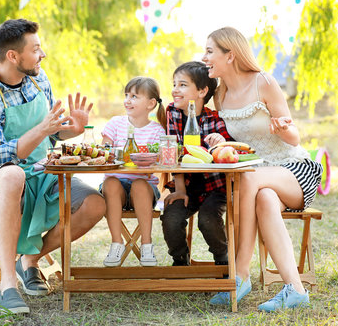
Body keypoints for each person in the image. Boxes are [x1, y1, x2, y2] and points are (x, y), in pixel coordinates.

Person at [0, 19, 106, 314]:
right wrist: (43, 131)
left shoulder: (39, 79)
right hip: (0, 178)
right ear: (13, 56)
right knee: (14, 173)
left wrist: (74, 129)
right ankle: (8, 286)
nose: (43, 55)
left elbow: (53, 132)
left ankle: (29, 260)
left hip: (44, 171)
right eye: (36, 49)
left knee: (95, 204)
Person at [202, 26, 323, 311]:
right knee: (264, 197)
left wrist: (282, 130)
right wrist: (224, 140)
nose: (204, 57)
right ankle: (295, 289)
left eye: (209, 51)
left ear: (230, 55)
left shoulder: (263, 82)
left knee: (250, 179)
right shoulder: (221, 95)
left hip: (294, 170)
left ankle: (240, 274)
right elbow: (243, 142)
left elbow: (295, 137)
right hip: (262, 180)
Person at [161, 61, 233, 266]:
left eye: (182, 85)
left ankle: (223, 260)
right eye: (174, 84)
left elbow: (229, 150)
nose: (175, 90)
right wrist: (180, 189)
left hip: (216, 188)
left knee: (208, 219)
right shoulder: (173, 113)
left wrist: (221, 142)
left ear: (202, 91)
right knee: (171, 218)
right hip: (187, 186)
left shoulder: (214, 119)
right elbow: (175, 153)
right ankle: (180, 260)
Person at [100, 76, 167, 267]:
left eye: (135, 96)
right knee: (111, 182)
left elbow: (160, 161)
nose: (128, 100)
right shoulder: (115, 123)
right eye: (127, 95)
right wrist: (107, 152)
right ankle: (116, 243)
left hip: (144, 189)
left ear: (151, 104)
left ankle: (147, 244)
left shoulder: (157, 131)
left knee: (139, 184)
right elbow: (104, 151)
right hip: (116, 190)